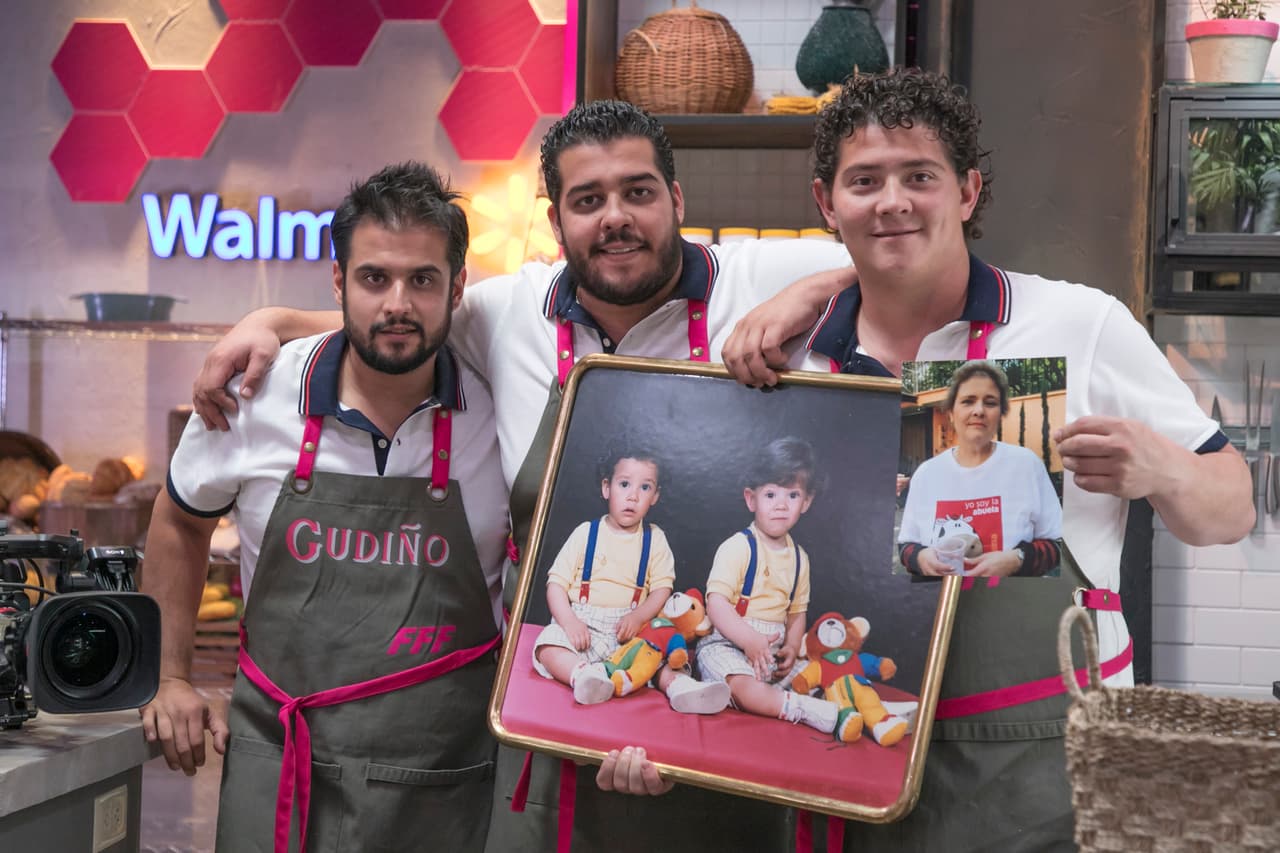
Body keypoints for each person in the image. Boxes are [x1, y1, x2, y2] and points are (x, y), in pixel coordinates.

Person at [189, 102, 857, 851]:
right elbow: (393, 312)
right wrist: (271, 321)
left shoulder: (764, 273)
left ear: (677, 200)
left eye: (637, 192)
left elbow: (921, 265)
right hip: (549, 720)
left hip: (719, 715)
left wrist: (820, 288)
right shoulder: (509, 310)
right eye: (587, 200)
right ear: (555, 218)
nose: (615, 217)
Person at [721, 68, 1254, 850]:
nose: (893, 200)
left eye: (920, 176)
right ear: (826, 204)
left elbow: (1233, 507)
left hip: (1041, 767)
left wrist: (1163, 471)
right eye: (864, 180)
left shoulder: (1081, 323)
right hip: (844, 748)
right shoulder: (788, 353)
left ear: (968, 192)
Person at [139, 163, 510, 853]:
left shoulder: (503, 404)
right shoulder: (257, 390)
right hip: (280, 763)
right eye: (374, 278)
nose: (397, 303)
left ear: (458, 288)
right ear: (338, 282)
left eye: (422, 279)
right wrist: (170, 676)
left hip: (443, 776)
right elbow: (179, 519)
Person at [534, 448, 728, 713]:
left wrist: (639, 616)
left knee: (658, 655)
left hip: (632, 629)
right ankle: (584, 677)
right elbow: (555, 584)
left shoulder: (655, 539)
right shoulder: (586, 533)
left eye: (645, 487)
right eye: (624, 484)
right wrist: (569, 622)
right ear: (607, 487)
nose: (633, 496)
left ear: (655, 496)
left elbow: (662, 589)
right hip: (584, 625)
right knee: (548, 643)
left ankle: (681, 689)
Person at [695, 436, 840, 736]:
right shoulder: (738, 547)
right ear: (752, 499)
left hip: (771, 655)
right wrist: (748, 640)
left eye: (793, 495)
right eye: (771, 494)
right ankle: (796, 708)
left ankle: (860, 709)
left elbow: (797, 613)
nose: (781, 505)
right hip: (728, 645)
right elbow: (717, 604)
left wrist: (790, 647)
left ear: (807, 501)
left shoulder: (800, 559)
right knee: (742, 687)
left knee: (825, 674)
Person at [898, 359, 1064, 578]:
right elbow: (905, 546)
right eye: (968, 401)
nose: (979, 410)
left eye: (990, 402)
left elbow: (1058, 546)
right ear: (950, 413)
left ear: (1001, 414)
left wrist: (1018, 559)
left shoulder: (1026, 465)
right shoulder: (926, 474)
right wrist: (919, 558)